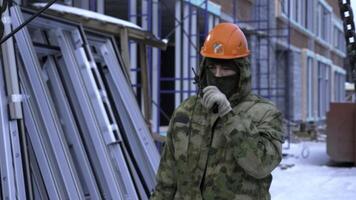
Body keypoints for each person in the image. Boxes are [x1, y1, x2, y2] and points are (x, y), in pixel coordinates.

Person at [150, 23, 284, 200]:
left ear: (241, 71)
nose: (218, 75)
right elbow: (167, 178)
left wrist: (228, 115)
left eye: (226, 68)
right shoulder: (187, 111)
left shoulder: (264, 113)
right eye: (212, 68)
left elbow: (261, 165)